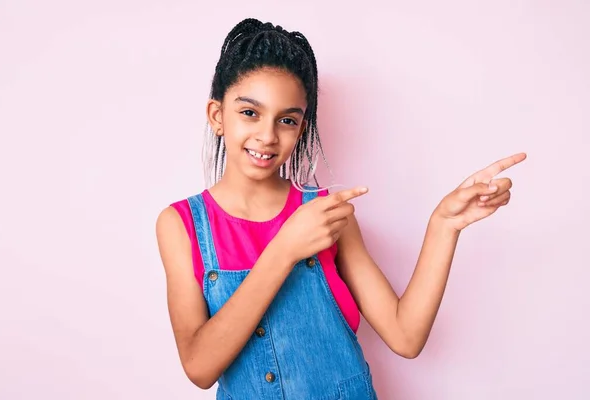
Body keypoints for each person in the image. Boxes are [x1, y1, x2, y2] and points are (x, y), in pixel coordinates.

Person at [155, 17, 526, 399]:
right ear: (218, 116)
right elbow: (199, 367)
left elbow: (406, 335)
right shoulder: (180, 225)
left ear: (300, 130)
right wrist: (285, 249)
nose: (267, 135)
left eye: (286, 120)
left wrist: (444, 226)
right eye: (250, 112)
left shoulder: (329, 215)